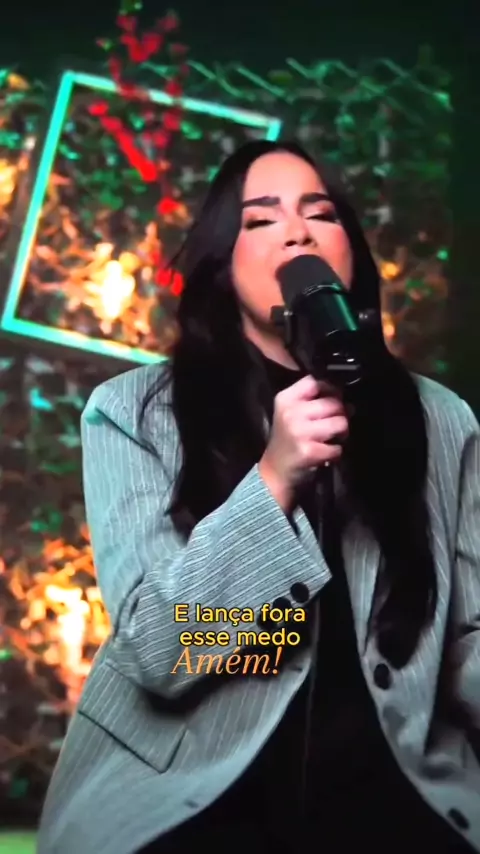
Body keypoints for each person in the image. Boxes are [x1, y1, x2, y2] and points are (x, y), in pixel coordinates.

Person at [37, 140, 480, 854]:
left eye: (320, 214)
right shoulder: (134, 413)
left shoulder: (440, 419)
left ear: (352, 251)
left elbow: (465, 641)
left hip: (389, 789)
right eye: (262, 218)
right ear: (223, 261)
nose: (298, 232)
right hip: (195, 794)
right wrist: (274, 477)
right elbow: (159, 650)